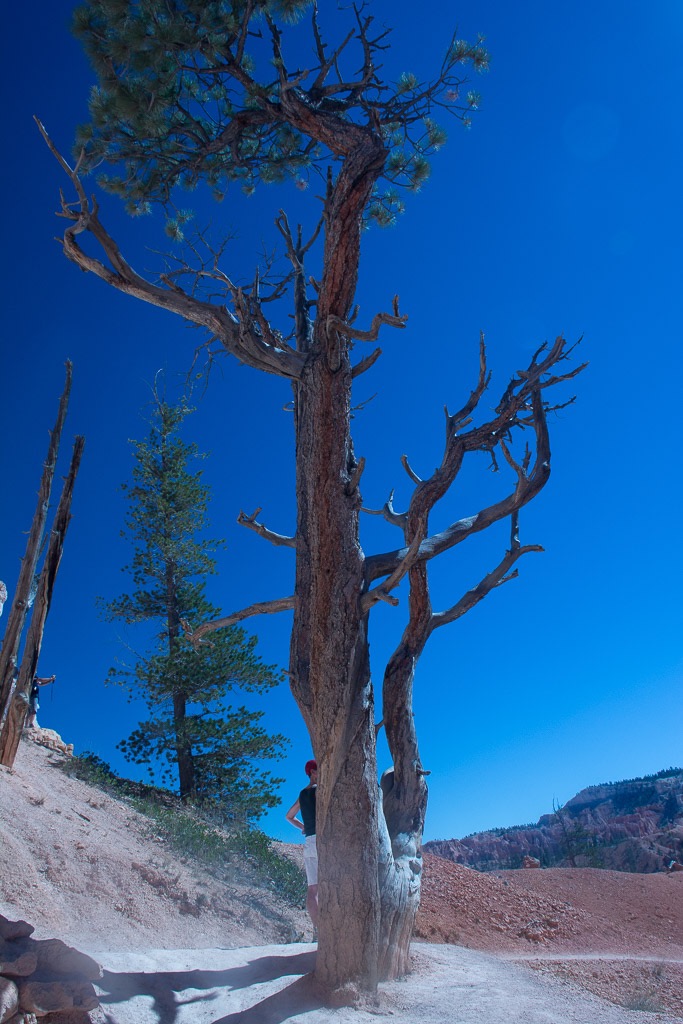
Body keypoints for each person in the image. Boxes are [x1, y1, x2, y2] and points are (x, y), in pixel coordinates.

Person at [285, 758, 318, 928]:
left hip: (309, 842)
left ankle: (317, 929)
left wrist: (303, 827)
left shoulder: (302, 794)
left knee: (313, 890)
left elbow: (288, 816)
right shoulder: (319, 790)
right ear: (312, 772)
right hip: (322, 842)